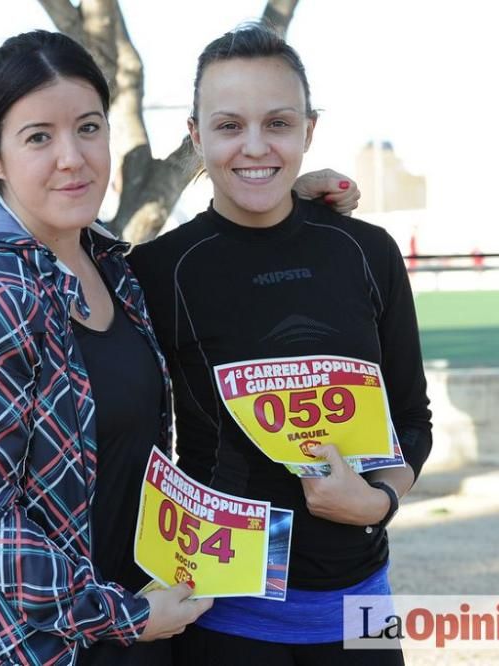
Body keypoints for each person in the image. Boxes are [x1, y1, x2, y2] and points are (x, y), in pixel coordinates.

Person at [0, 31, 357, 666]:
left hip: (145, 629)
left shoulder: (113, 267)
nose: (73, 157)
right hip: (51, 646)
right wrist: (127, 616)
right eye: (39, 137)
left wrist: (284, 192)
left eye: (89, 128)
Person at [128, 24, 432, 665]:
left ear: (309, 130)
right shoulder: (158, 271)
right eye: (229, 126)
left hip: (363, 607)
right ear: (195, 136)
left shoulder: (367, 250)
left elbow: (411, 417)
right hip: (220, 611)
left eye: (279, 123)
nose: (256, 146)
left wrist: (379, 501)